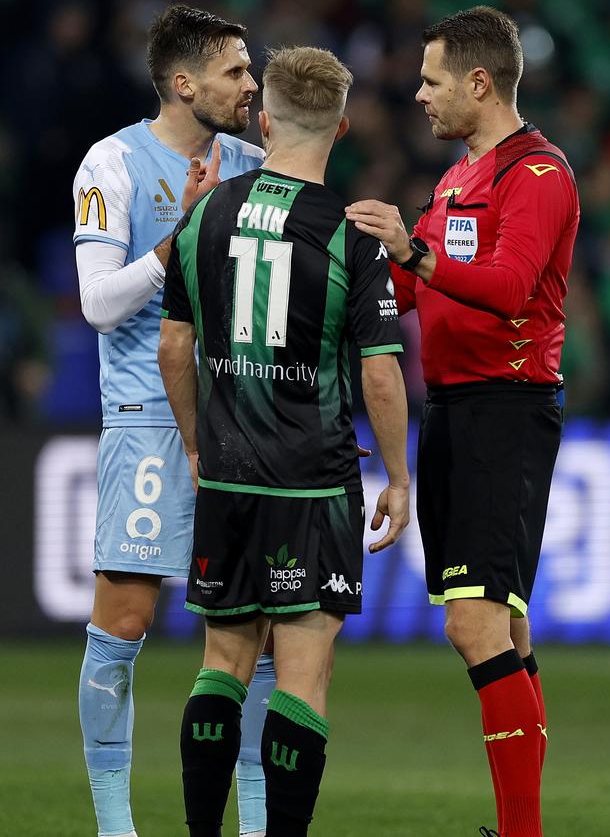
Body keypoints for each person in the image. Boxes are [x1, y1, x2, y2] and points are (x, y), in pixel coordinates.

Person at [158, 45, 410, 837]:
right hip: (312, 482)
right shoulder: (352, 234)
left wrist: (199, 448)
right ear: (338, 129)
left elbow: (173, 346)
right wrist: (398, 477)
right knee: (304, 673)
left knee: (222, 663)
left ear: (265, 121)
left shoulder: (202, 214)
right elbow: (379, 375)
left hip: (229, 478)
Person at [346, 6, 579, 837]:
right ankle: (526, 827)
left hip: (504, 412)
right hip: (451, 410)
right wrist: (347, 281)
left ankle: (522, 833)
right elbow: (411, 292)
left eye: (433, 79)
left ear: (480, 83)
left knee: (471, 621)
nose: (418, 95)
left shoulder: (541, 175)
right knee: (505, 625)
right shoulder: (454, 181)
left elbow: (512, 285)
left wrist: (413, 252)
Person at [73, 4, 274, 837]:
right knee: (125, 619)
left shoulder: (258, 163)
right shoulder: (109, 163)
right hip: (147, 417)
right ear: (184, 82)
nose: (251, 81)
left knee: (252, 629)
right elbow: (94, 303)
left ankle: (261, 821)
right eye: (235, 70)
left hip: (245, 421)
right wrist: (178, 239)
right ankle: (117, 827)